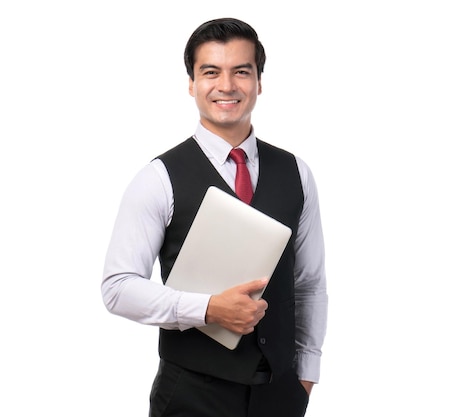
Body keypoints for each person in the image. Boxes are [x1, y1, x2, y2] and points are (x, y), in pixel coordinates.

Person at [101, 17, 328, 417]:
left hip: (279, 394)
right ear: (191, 83)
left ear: (259, 82)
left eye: (241, 71)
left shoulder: (297, 172)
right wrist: (206, 309)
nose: (227, 86)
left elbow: (308, 285)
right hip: (190, 395)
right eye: (211, 72)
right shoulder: (157, 178)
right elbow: (118, 287)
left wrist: (306, 375)